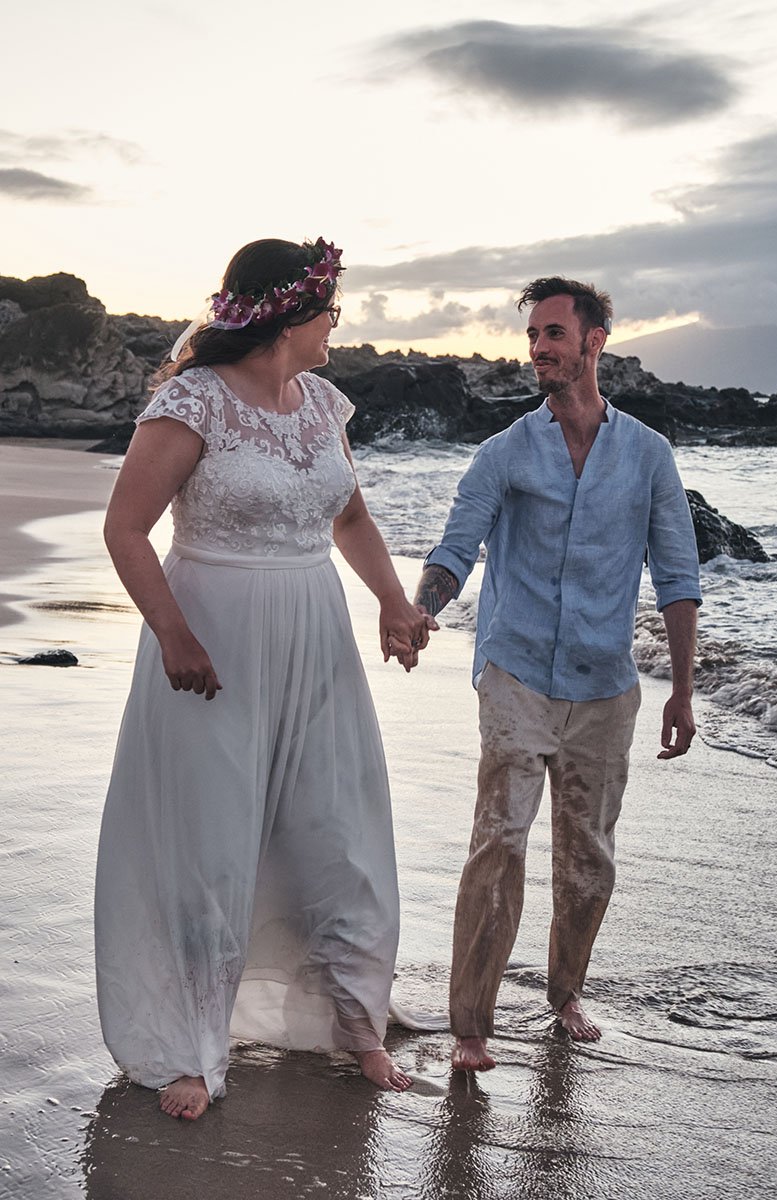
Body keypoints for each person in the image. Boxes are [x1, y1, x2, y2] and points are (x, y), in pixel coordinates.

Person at [95, 237, 431, 1120]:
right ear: (287, 316)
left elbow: (348, 513)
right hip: (214, 633)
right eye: (330, 309)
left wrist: (394, 603)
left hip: (315, 633)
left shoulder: (322, 402)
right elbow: (127, 529)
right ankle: (189, 1047)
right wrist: (173, 633)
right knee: (210, 843)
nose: (336, 325)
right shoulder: (191, 400)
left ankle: (354, 1023)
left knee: (340, 828)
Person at [410, 276, 702, 1070]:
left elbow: (678, 577)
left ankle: (565, 992)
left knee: (588, 858)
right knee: (499, 841)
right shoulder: (504, 453)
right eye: (533, 336)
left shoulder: (647, 457)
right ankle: (471, 1024)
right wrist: (422, 609)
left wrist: (682, 687)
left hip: (605, 684)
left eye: (553, 335)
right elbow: (455, 549)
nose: (538, 349)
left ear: (593, 342)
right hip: (516, 670)